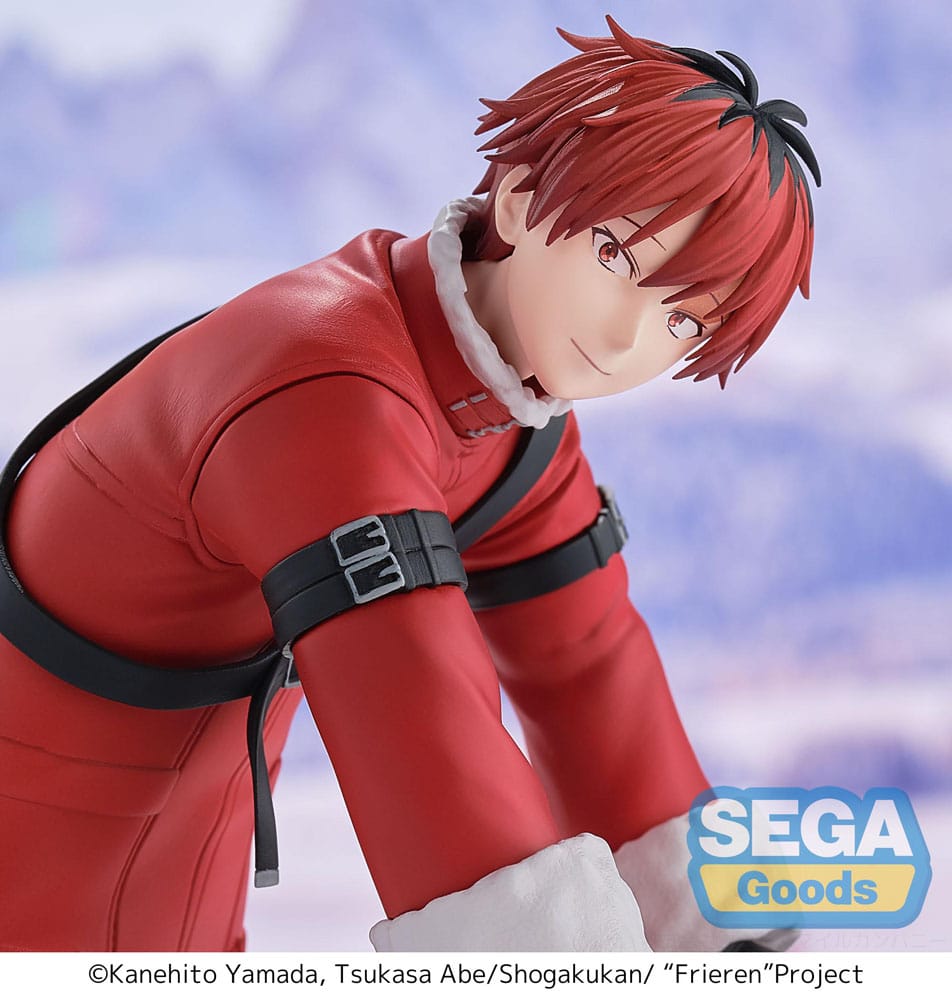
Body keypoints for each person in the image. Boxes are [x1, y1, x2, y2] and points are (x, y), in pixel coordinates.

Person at [0, 16, 818, 951]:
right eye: (616, 258)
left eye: (685, 320)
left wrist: (719, 932)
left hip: (189, 855)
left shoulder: (512, 422)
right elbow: (420, 727)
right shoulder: (325, 389)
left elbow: (588, 662)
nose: (630, 336)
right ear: (519, 200)